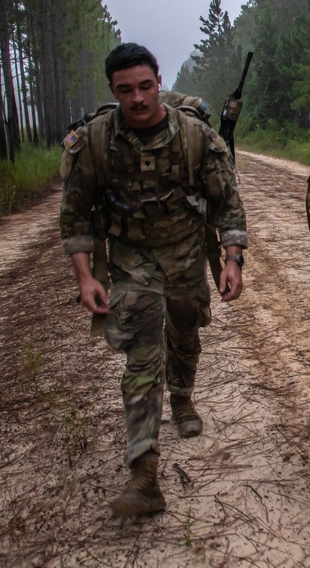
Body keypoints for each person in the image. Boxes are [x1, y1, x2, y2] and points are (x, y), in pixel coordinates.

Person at [59, 43, 248, 517]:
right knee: (142, 359)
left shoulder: (195, 137)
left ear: (158, 81)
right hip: (131, 260)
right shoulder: (97, 141)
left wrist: (231, 259)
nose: (138, 98)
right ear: (113, 91)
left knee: (185, 333)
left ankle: (182, 398)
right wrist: (85, 278)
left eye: (145, 86)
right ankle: (144, 474)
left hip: (185, 253)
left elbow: (227, 202)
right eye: (126, 90)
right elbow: (75, 215)